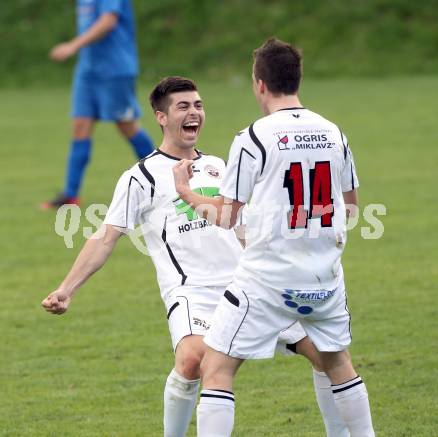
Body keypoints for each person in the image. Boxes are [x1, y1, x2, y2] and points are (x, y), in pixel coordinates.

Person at [42, 76, 349, 436]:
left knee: (324, 353)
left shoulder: (221, 165)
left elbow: (245, 229)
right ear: (161, 117)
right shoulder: (140, 177)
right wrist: (67, 289)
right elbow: (105, 237)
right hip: (193, 292)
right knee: (191, 361)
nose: (194, 113)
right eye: (183, 106)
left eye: (198, 105)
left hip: (250, 285)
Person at [173, 38, 375, 436]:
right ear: (297, 79)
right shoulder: (334, 133)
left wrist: (186, 192)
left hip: (267, 278)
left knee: (216, 368)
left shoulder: (254, 137)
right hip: (325, 278)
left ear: (259, 84)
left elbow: (228, 216)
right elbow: (350, 207)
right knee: (337, 363)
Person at [41, 0, 154, 209]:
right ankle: (70, 195)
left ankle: (165, 178)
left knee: (126, 126)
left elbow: (108, 21)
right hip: (88, 71)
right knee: (80, 127)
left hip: (115, 69)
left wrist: (72, 45)